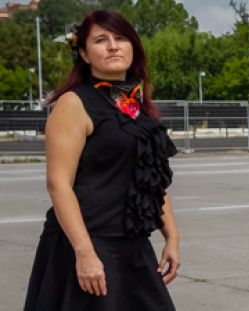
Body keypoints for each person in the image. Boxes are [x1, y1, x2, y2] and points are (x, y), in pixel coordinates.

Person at [25, 10, 180, 311]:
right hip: (87, 243)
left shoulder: (136, 107)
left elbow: (153, 180)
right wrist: (84, 253)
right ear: (84, 53)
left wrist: (171, 237)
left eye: (121, 38)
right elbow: (59, 184)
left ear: (133, 47)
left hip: (133, 245)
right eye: (101, 40)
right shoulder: (74, 103)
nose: (113, 46)